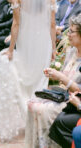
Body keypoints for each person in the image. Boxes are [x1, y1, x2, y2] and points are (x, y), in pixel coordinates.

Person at [0, 0, 56, 142]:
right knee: (40, 81)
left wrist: (11, 50)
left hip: (26, 41)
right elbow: (52, 25)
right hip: (43, 42)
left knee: (22, 79)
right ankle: (38, 119)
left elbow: (16, 25)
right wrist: (52, 48)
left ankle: (29, 114)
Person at [26, 14, 81, 148]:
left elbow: (77, 88)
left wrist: (61, 77)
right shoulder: (71, 52)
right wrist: (54, 74)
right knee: (32, 104)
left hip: (74, 101)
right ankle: (37, 145)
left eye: (72, 31)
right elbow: (64, 78)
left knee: (43, 110)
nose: (68, 34)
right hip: (63, 94)